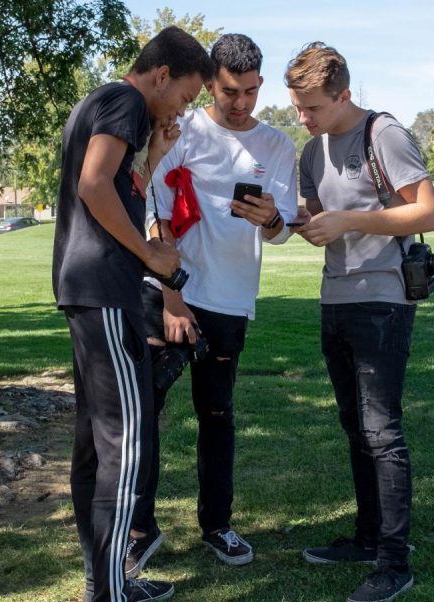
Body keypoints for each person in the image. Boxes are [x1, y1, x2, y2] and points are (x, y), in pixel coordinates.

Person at [52, 26, 213, 602]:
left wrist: (154, 153)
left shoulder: (99, 106)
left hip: (85, 289)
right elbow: (96, 185)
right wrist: (151, 253)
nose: (183, 109)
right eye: (185, 95)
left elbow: (122, 185)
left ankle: (107, 587)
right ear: (162, 73)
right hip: (109, 293)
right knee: (127, 448)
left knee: (94, 449)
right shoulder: (122, 102)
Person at [127, 33, 298, 572]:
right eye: (229, 91)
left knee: (217, 415)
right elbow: (154, 210)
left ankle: (217, 526)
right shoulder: (184, 130)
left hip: (231, 299)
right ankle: (138, 529)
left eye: (250, 91)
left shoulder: (277, 146)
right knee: (146, 411)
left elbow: (283, 231)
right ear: (210, 84)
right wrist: (174, 296)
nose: (241, 102)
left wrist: (270, 220)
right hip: (173, 294)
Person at [284, 43, 434, 602]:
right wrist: (283, 220)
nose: (304, 119)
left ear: (343, 94)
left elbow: (428, 211)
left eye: (313, 109)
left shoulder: (385, 134)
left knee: (382, 431)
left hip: (384, 300)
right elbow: (307, 218)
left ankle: (394, 563)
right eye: (298, 108)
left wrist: (349, 218)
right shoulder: (311, 151)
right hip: (335, 299)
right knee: (355, 427)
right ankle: (367, 538)